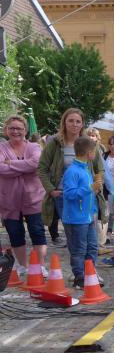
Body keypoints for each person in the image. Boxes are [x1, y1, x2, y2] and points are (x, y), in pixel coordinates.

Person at [38, 108, 106, 254]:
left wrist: (98, 185)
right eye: (71, 121)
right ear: (64, 122)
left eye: (78, 121)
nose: (74, 124)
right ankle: (78, 267)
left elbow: (100, 169)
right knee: (75, 239)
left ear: (82, 124)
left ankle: (90, 267)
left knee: (91, 238)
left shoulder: (88, 143)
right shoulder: (55, 143)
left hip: (88, 195)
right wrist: (51, 190)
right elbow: (42, 168)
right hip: (64, 196)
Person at [0, 116, 47, 278]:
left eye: (19, 128)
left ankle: (40, 266)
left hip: (33, 198)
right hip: (8, 199)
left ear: (25, 131)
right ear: (6, 130)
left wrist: (10, 163)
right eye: (12, 128)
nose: (15, 131)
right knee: (15, 233)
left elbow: (35, 164)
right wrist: (25, 167)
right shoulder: (1, 148)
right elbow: (0, 168)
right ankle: (22, 266)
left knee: (37, 231)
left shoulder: (34, 147)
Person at [61, 137, 102, 289]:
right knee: (78, 250)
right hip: (75, 219)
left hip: (88, 217)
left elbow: (88, 195)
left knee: (92, 247)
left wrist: (94, 207)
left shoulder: (86, 169)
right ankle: (79, 278)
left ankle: (90, 274)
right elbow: (69, 194)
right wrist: (90, 188)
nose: (95, 154)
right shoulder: (72, 171)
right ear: (89, 152)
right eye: (94, 151)